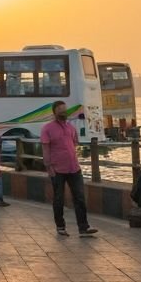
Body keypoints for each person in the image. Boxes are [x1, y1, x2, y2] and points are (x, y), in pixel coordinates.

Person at [40, 101, 98, 238]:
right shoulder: (47, 128)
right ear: (54, 112)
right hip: (57, 169)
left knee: (79, 198)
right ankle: (60, 226)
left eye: (65, 109)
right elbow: (45, 148)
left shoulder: (71, 128)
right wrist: (49, 167)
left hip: (74, 168)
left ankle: (83, 228)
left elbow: (74, 144)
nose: (63, 112)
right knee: (59, 199)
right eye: (60, 109)